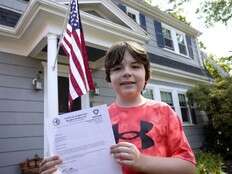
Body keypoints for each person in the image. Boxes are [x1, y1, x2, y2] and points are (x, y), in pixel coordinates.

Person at [39, 41, 196, 174]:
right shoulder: (98, 120)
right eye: (117, 68)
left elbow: (188, 167)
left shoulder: (164, 112)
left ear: (146, 74)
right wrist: (60, 169)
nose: (127, 73)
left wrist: (141, 161)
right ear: (109, 79)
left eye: (135, 66)